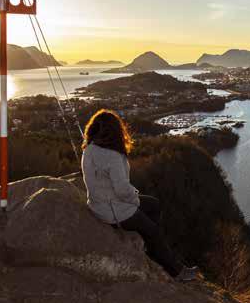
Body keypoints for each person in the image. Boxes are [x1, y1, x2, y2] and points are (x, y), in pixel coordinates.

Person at [81, 109, 199, 281]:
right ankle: (177, 271)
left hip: (98, 204)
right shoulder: (112, 156)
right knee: (154, 231)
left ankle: (152, 247)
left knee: (153, 204)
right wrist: (135, 199)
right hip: (114, 211)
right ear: (115, 131)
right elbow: (122, 189)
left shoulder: (88, 149)